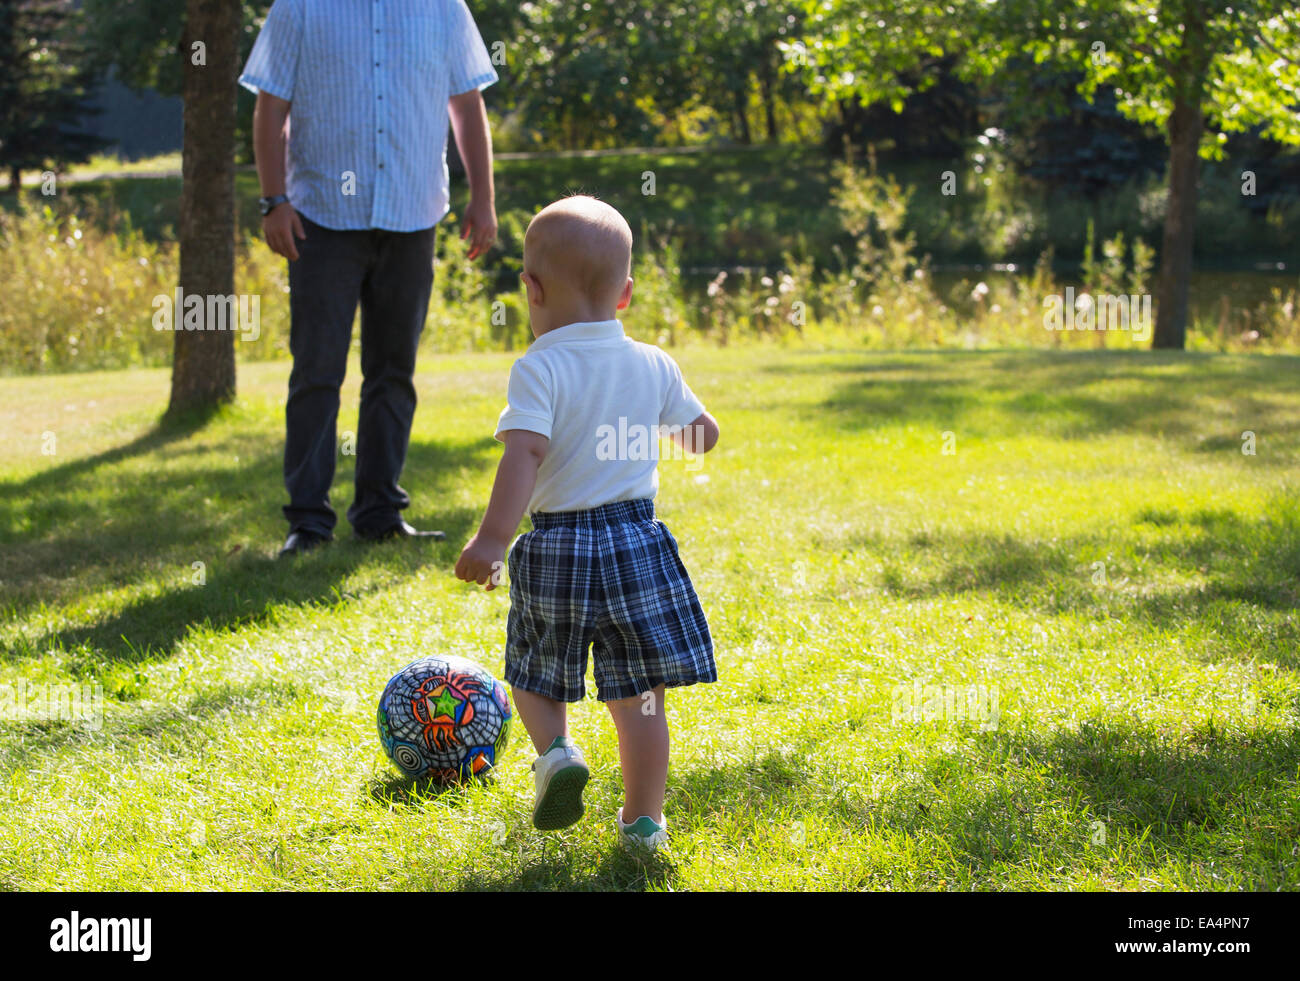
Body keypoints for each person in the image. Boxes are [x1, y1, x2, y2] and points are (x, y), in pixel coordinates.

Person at [455, 196, 720, 852]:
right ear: (625, 294)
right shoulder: (654, 363)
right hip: (638, 545)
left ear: (532, 288)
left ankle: (557, 753)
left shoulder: (539, 367)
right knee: (642, 698)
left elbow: (526, 454)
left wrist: (491, 542)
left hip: (558, 547)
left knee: (534, 671)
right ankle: (645, 824)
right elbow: (703, 435)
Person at [239, 0, 499, 557]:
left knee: (393, 372)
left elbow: (467, 103)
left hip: (413, 213)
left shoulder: (444, 9)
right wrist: (273, 200)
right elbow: (269, 105)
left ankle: (379, 513)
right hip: (320, 219)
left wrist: (484, 197)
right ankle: (307, 522)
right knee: (316, 371)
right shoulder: (301, 9)